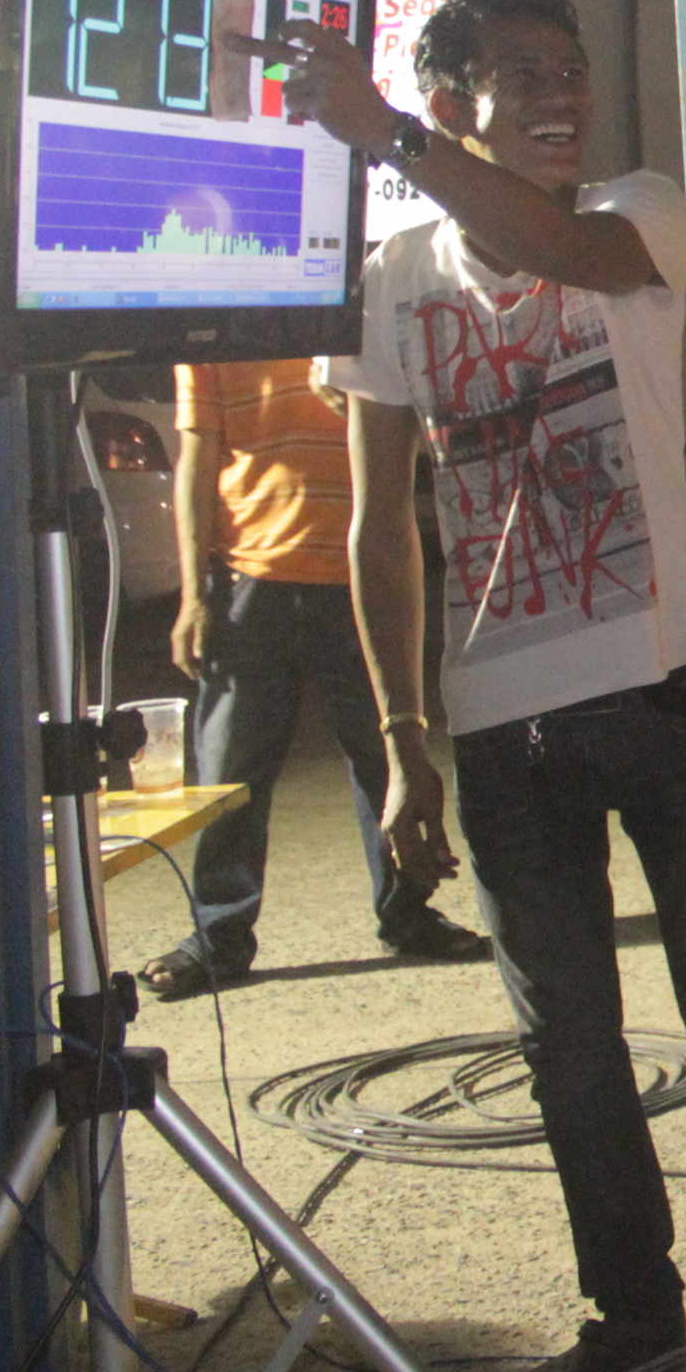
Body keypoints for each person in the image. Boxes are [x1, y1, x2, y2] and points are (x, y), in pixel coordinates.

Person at [260, 0, 686, 1372]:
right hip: (502, 734)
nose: (562, 93)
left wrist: (386, 133)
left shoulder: (638, 212)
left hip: (673, 698)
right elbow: (381, 527)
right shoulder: (396, 277)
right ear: (455, 95)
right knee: (569, 1052)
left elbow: (551, 244)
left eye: (571, 68)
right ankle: (633, 1315)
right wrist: (402, 743)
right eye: (522, 71)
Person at [142, 359, 492, 998]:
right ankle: (218, 935)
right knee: (230, 772)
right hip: (247, 578)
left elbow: (424, 435)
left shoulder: (358, 325)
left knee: (386, 756)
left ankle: (407, 913)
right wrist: (192, 594)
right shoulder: (220, 331)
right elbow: (198, 458)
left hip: (363, 576)